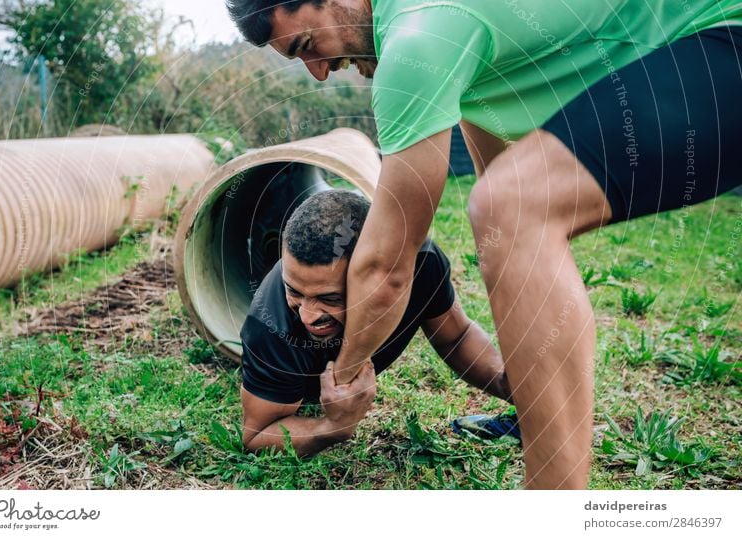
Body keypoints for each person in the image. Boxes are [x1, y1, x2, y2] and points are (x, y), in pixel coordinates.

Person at [227, 0, 742, 488]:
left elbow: (386, 265)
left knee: (511, 207)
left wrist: (344, 381)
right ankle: (534, 414)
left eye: (307, 44)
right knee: (507, 214)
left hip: (719, 36)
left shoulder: (414, 38)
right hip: (682, 55)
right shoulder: (445, 42)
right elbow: (499, 180)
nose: (317, 72)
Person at [240, 190, 518, 456]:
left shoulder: (418, 264)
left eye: (330, 298)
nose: (308, 315)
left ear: (374, 275)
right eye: (294, 291)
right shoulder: (269, 326)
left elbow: (456, 338)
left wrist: (516, 388)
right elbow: (257, 435)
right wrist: (333, 426)